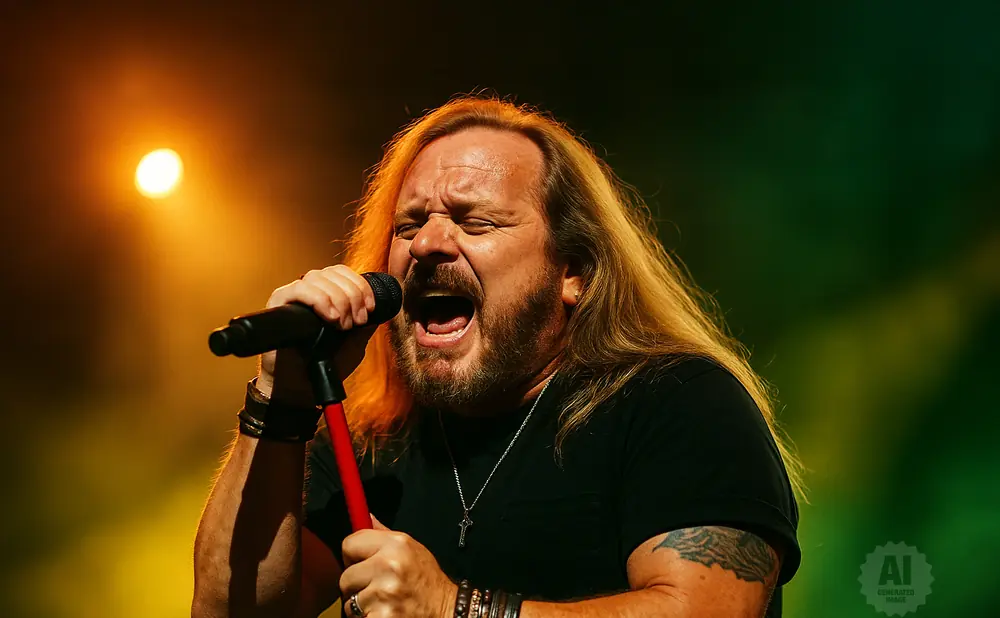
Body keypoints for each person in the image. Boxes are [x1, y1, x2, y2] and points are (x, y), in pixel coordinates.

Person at [192, 96, 803, 618]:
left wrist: (456, 607)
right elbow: (228, 611)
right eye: (408, 226)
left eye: (474, 221)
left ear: (574, 273)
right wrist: (283, 400)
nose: (428, 243)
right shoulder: (372, 441)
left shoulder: (679, 403)